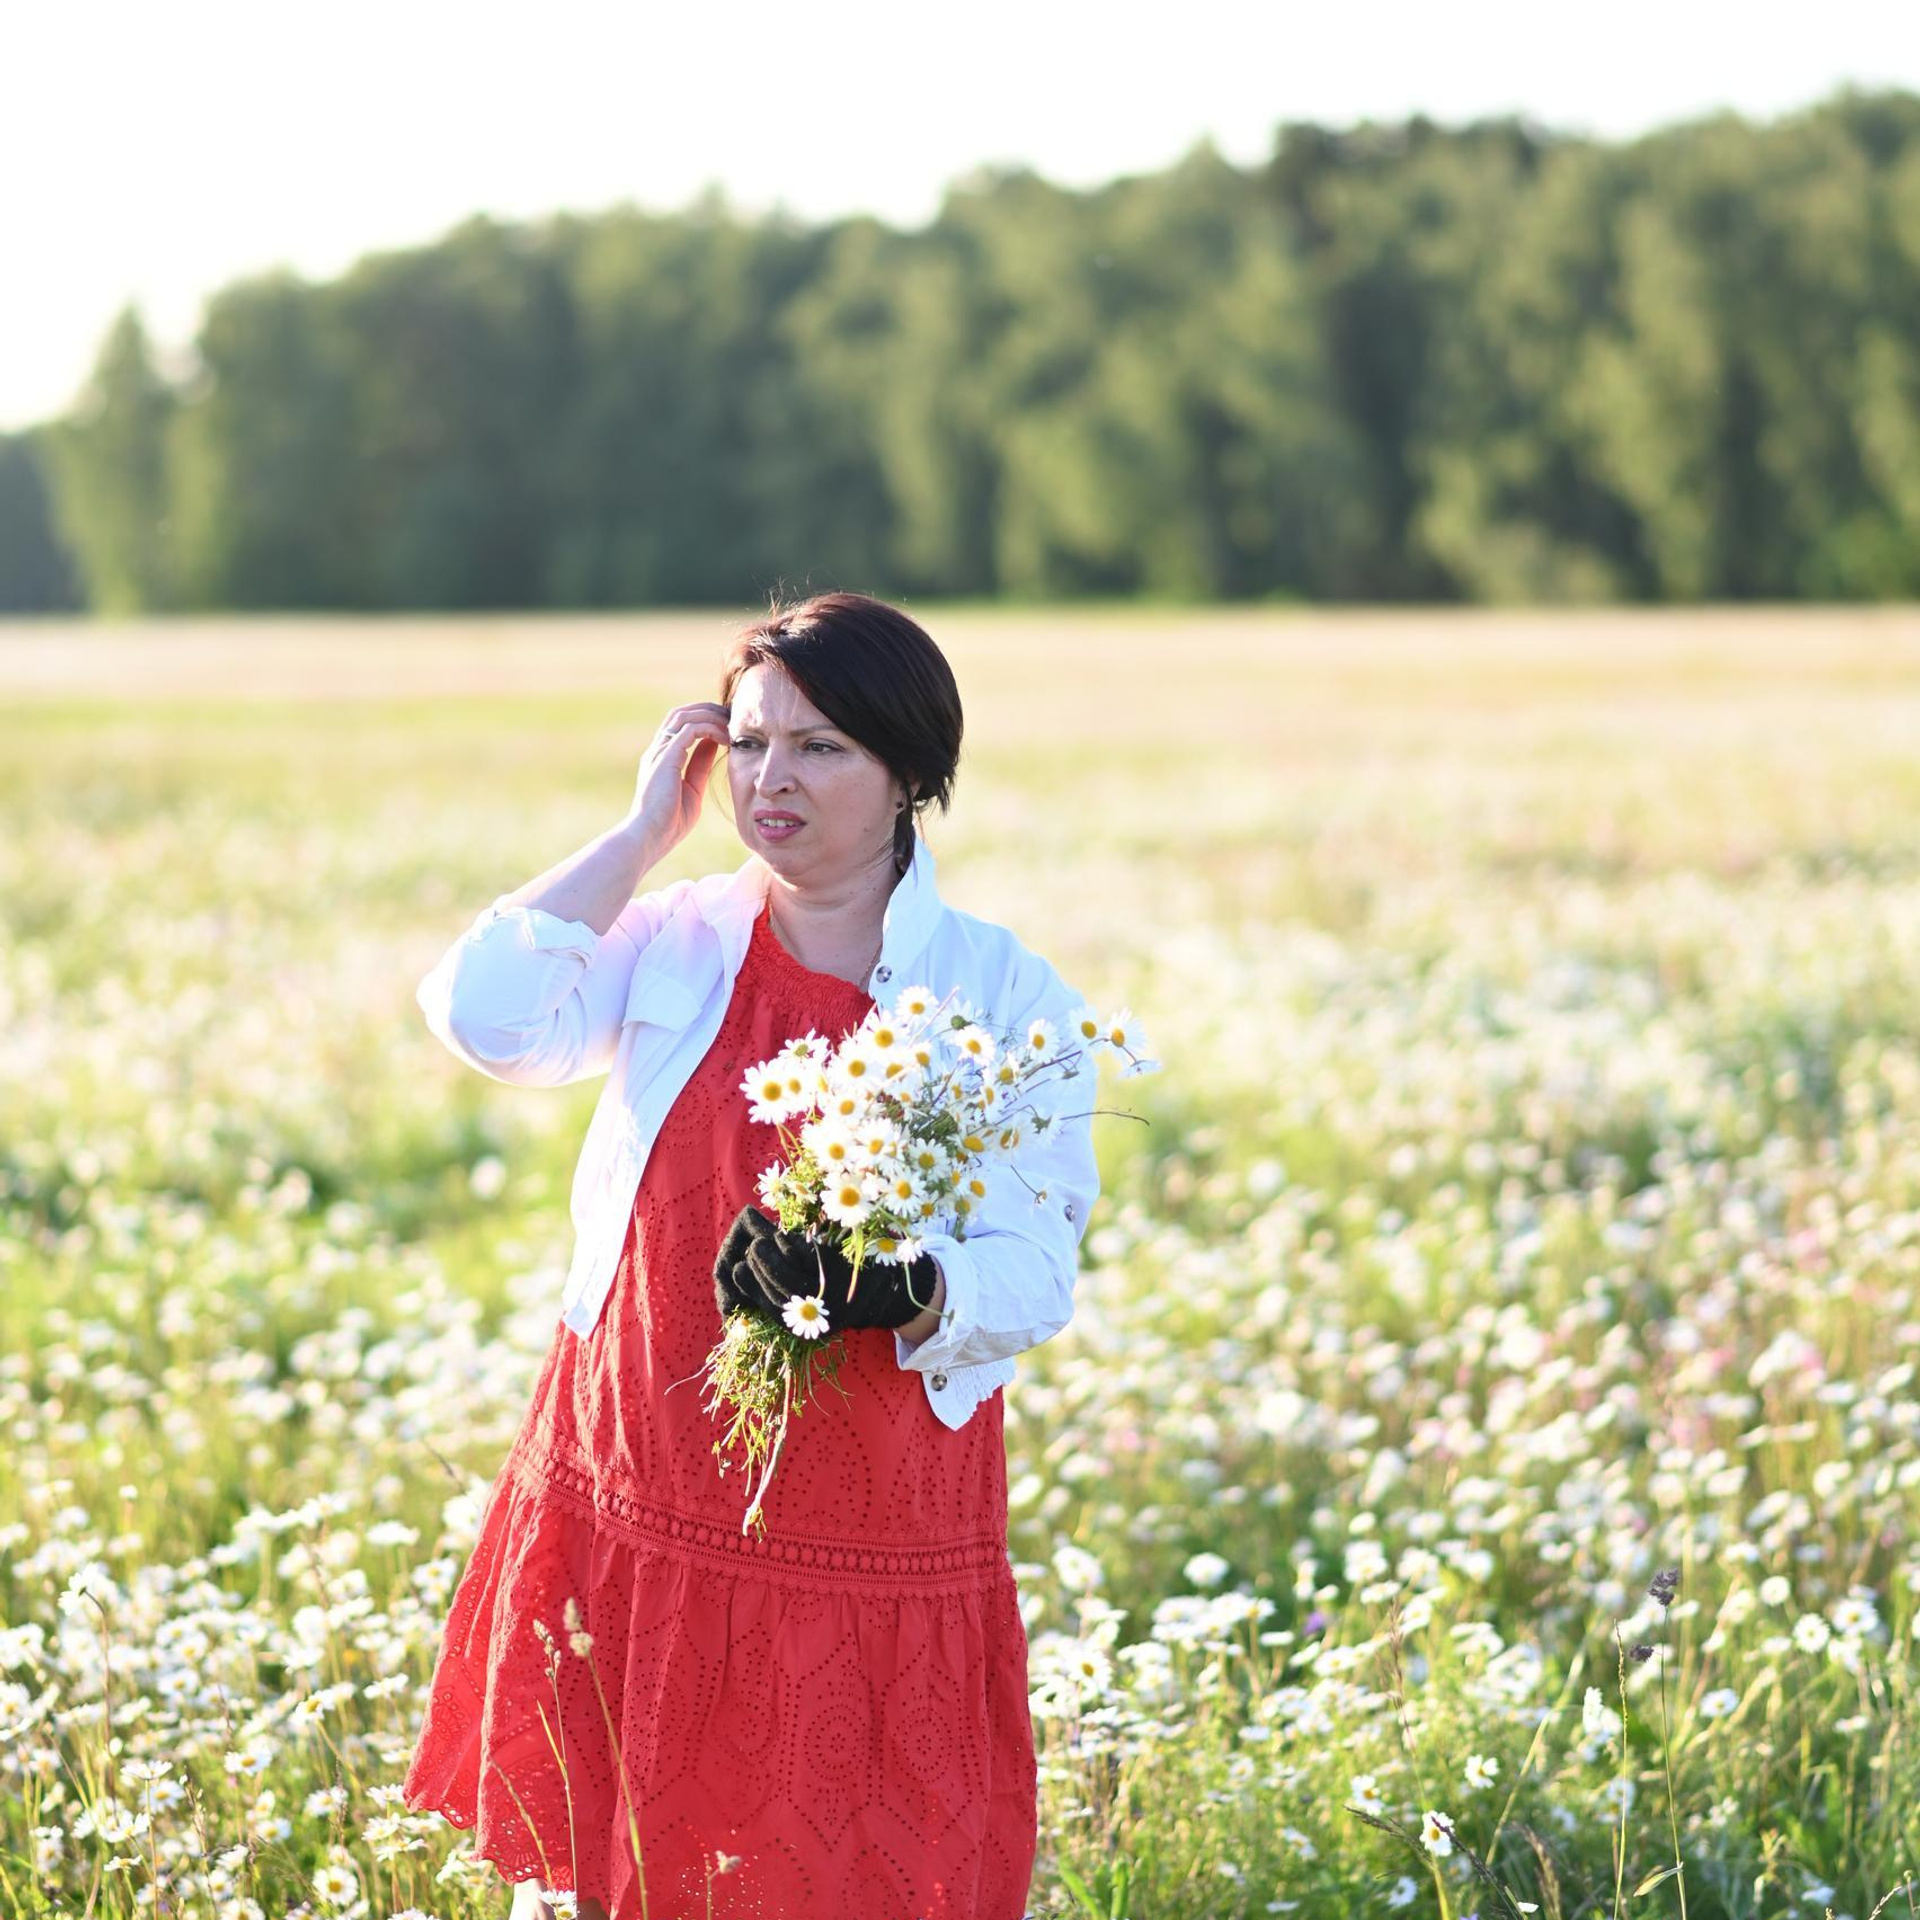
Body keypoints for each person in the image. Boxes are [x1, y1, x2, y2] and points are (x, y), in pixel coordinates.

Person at [400, 591, 1102, 1920]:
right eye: (753, 741)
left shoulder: (1002, 995)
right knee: (614, 1873)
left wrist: (892, 1290)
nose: (774, 780)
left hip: (860, 1506)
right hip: (639, 1470)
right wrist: (637, 835)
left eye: (822, 748)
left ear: (911, 775)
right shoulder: (673, 937)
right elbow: (485, 1016)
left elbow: (1039, 1265)